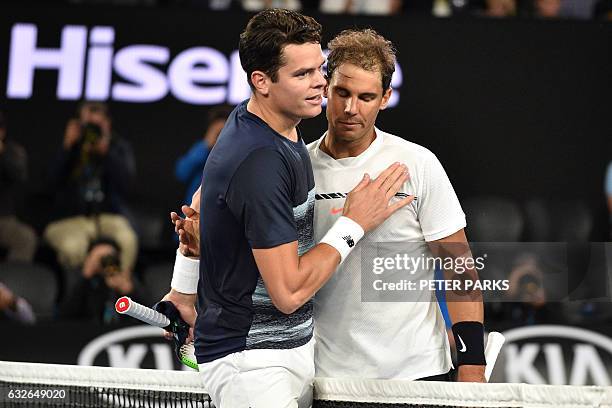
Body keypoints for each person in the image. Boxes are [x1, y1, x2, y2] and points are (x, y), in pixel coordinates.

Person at [165, 9, 412, 408]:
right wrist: (353, 223)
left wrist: (183, 289)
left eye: (320, 68)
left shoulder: (269, 123)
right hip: (252, 367)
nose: (320, 84)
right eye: (302, 75)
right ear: (261, 81)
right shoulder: (260, 162)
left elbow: (199, 204)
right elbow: (288, 291)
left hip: (287, 351)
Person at [307, 28, 485, 382]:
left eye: (366, 96)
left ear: (385, 97)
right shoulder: (298, 168)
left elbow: (458, 266)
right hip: (325, 377)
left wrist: (472, 364)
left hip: (417, 373)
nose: (350, 108)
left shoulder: (417, 164)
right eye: (342, 92)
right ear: (326, 87)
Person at [43, 102, 138, 274]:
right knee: (73, 247)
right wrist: (68, 147)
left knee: (128, 239)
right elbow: (49, 183)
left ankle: (118, 290)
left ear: (107, 124)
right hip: (68, 219)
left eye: (97, 125)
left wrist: (106, 153)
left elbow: (127, 186)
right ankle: (81, 294)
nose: (92, 132)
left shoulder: (118, 149)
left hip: (107, 216)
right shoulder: (68, 146)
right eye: (88, 125)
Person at [57, 237, 148, 323]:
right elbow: (64, 315)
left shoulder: (126, 278)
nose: (105, 262)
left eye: (110, 257)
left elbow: (150, 316)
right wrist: (85, 277)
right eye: (99, 258)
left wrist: (130, 292)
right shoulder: (82, 280)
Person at [175, 105, 232, 207]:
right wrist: (207, 144)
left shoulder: (239, 154)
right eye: (217, 132)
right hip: (196, 215)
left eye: (225, 130)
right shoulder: (201, 150)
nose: (221, 136)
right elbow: (182, 173)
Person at [0, 110, 38, 263]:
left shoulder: (12, 151)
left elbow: (19, 174)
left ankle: (11, 283)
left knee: (26, 237)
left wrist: (2, 153)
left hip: (3, 220)